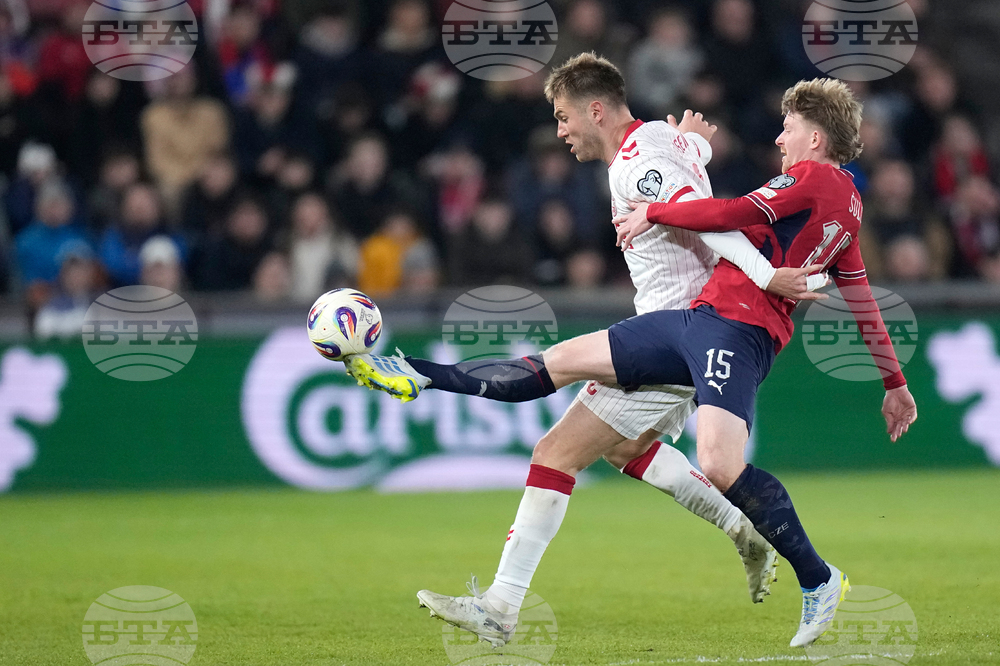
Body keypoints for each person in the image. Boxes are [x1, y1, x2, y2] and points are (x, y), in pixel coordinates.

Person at [345, 75, 918, 649]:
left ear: (815, 138)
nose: (779, 135)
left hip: (735, 328)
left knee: (703, 464)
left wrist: (659, 213)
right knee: (564, 375)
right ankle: (415, 373)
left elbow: (728, 212)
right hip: (694, 320)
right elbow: (862, 294)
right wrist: (893, 382)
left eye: (789, 127)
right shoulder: (847, 202)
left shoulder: (806, 177)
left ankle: (816, 576)